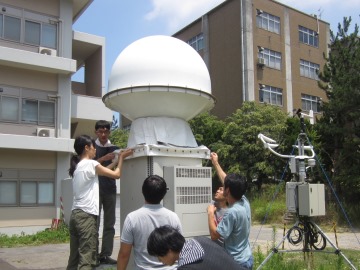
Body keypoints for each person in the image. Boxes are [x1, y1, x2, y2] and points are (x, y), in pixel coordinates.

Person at [66, 135, 133, 270]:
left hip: (75, 216)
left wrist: (115, 161)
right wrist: (121, 158)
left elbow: (105, 171)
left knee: (74, 258)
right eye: (93, 147)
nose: (95, 150)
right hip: (86, 217)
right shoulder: (91, 164)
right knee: (87, 258)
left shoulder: (79, 166)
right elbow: (116, 175)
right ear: (86, 147)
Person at [117, 175, 182, 270]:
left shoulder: (132, 218)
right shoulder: (173, 217)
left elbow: (124, 254)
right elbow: (180, 249)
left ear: (143, 191)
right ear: (164, 193)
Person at [207, 152, 253, 269]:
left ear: (227, 191)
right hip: (246, 258)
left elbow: (214, 235)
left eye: (223, 188)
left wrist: (210, 213)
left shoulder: (232, 212)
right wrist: (215, 163)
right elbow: (225, 179)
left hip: (235, 262)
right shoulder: (244, 201)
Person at [147, 225, 241, 269]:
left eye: (159, 257)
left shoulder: (187, 267)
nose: (160, 261)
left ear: (169, 250)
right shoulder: (201, 240)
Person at [94, 120, 120, 264]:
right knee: (95, 224)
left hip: (110, 189)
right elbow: (87, 165)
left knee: (109, 224)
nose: (103, 134)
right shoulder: (91, 146)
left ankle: (105, 255)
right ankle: (94, 255)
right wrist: (103, 158)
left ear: (109, 132)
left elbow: (118, 168)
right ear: (96, 132)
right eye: (100, 132)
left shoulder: (115, 148)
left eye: (106, 132)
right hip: (95, 190)